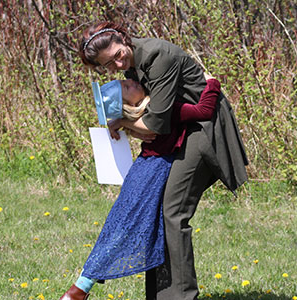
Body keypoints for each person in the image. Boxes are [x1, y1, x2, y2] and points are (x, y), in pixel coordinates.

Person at [74, 21, 248, 300]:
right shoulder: (132, 65)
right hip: (180, 131)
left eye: (118, 55)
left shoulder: (157, 56)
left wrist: (126, 124)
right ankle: (160, 295)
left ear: (122, 37)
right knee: (159, 208)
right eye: (109, 65)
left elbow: (155, 124)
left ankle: (179, 296)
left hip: (203, 130)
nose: (118, 65)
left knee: (174, 211)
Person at [59, 76, 222, 300]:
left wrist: (124, 122)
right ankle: (79, 288)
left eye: (127, 82)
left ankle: (79, 289)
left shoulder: (147, 114)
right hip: (152, 173)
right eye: (126, 87)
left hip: (142, 170)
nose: (131, 82)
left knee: (120, 228)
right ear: (128, 105)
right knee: (126, 229)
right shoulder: (162, 111)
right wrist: (212, 82)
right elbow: (203, 111)